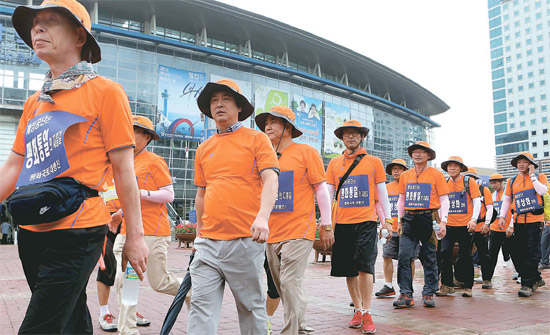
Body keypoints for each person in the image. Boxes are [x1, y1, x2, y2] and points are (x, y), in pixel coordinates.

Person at [0, 1, 148, 333]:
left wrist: (135, 236)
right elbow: (13, 165)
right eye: (35, 24)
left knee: (41, 324)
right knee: (69, 317)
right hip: (32, 228)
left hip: (78, 228)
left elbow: (124, 170)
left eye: (49, 21)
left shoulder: (106, 92)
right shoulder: (35, 102)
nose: (37, 29)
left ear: (80, 35)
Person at [189, 79, 279, 334]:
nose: (219, 104)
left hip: (244, 240)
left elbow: (271, 178)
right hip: (208, 243)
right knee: (200, 306)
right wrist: (198, 234)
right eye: (214, 100)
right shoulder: (204, 148)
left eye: (226, 99)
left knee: (250, 309)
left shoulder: (257, 139)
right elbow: (201, 194)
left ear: (239, 106)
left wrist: (262, 217)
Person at [256, 106, 333, 335]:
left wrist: (326, 224)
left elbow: (321, 188)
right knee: (284, 285)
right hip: (271, 233)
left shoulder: (306, 152)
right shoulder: (263, 156)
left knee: (290, 281)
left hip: (300, 229)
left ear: (288, 127)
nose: (268, 126)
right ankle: (300, 326)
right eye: (266, 122)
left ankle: (289, 331)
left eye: (273, 122)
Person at [112, 115, 182, 335]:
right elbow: (131, 200)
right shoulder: (124, 162)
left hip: (153, 232)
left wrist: (140, 192)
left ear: (146, 137)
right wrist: (119, 214)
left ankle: (191, 291)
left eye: (134, 131)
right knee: (124, 282)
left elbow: (169, 195)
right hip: (127, 232)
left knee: (159, 282)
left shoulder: (154, 161)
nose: (128, 135)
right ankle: (128, 330)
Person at [326, 120, 392, 334]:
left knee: (365, 266)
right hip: (342, 223)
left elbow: (382, 194)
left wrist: (387, 221)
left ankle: (367, 312)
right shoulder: (334, 164)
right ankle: (358, 308)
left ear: (362, 137)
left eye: (355, 134)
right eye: (347, 134)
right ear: (342, 138)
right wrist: (326, 222)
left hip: (366, 222)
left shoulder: (374, 162)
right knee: (349, 270)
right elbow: (327, 194)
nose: (351, 137)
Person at [393, 141, 449, 309]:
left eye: (421, 152)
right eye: (415, 152)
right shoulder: (405, 175)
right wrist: (398, 220)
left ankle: (429, 293)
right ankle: (405, 294)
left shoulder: (436, 175)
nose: (417, 155)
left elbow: (444, 199)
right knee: (404, 256)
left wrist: (444, 221)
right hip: (409, 218)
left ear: (429, 156)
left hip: (429, 217)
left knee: (429, 256)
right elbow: (401, 199)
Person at [498, 152, 548, 297]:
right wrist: (502, 216)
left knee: (531, 252)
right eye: (519, 162)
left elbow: (542, 191)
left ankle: (526, 284)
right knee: (517, 251)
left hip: (535, 221)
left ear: (530, 164)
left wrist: (532, 175)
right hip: (518, 221)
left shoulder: (540, 177)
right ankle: (536, 278)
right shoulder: (512, 181)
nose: (521, 164)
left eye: (524, 162)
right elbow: (507, 200)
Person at [436, 157, 480, 298]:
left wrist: (474, 219)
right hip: (449, 225)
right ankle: (447, 285)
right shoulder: (444, 182)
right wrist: (441, 221)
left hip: (465, 225)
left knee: (466, 255)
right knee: (444, 253)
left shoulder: (469, 182)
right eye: (450, 166)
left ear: (461, 168)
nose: (452, 168)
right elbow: (440, 202)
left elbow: (477, 201)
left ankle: (467, 286)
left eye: (455, 166)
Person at [375, 159, 419, 298]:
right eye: (393, 169)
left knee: (408, 259)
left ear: (405, 171)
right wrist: (383, 223)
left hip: (408, 229)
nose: (396, 171)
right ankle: (388, 285)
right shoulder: (387, 188)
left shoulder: (411, 186)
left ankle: (408, 286)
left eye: (399, 168)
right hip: (390, 229)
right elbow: (380, 205)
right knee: (386, 256)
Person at [464, 167, 494, 289]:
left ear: (476, 179)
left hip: (480, 227)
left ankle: (487, 279)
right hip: (465, 227)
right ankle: (463, 279)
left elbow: (490, 208)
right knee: (464, 255)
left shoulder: (483, 190)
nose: (470, 180)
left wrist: (487, 223)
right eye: (468, 177)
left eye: (472, 178)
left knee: (484, 254)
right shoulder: (462, 190)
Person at [486, 173, 516, 285]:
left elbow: (513, 211)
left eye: (495, 183)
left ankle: (520, 275)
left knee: (515, 254)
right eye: (492, 183)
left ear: (501, 182)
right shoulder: (492, 196)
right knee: (491, 255)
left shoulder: (508, 195)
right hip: (495, 229)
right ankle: (487, 278)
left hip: (508, 229)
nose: (493, 185)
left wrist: (511, 225)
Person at [539, 183, 550, 270]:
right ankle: (545, 261)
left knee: (544, 243)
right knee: (544, 243)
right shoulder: (546, 188)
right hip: (547, 222)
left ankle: (545, 261)